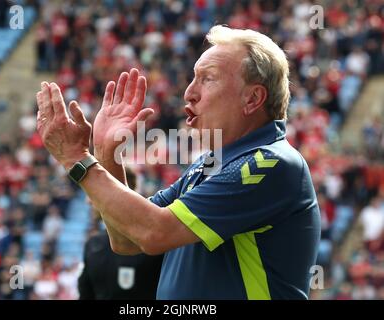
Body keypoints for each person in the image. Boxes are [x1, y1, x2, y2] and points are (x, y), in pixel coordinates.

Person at [36, 25, 321, 299]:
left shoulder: (271, 164)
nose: (189, 93)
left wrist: (77, 159)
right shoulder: (208, 165)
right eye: (193, 78)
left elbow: (153, 232)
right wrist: (105, 153)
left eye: (207, 79)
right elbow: (127, 240)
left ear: (253, 98)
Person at [78, 168, 163, 300]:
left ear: (117, 194)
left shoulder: (156, 242)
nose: (88, 201)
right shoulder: (93, 244)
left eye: (92, 192)